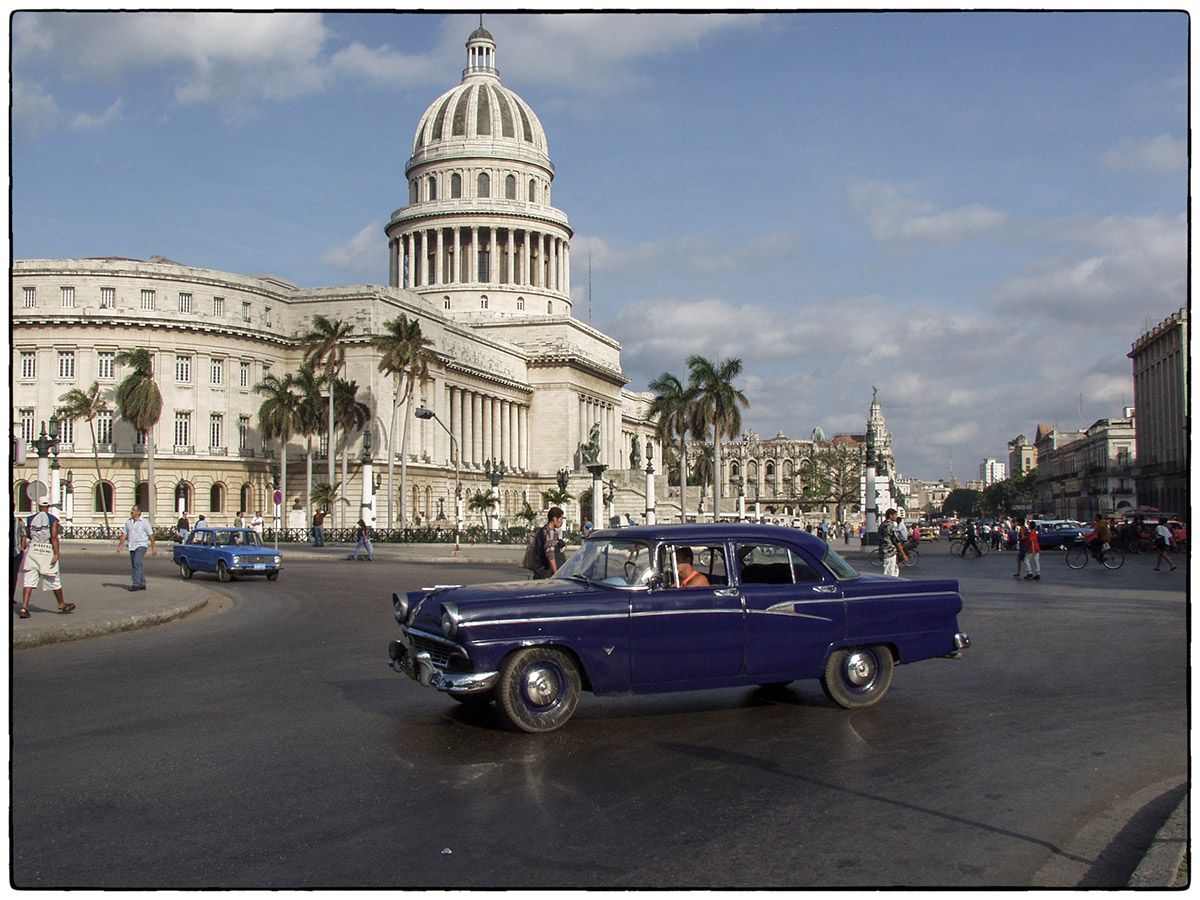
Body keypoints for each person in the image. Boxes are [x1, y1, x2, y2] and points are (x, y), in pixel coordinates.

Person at [18, 499, 74, 618]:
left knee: (29, 580)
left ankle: (24, 608)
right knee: (53, 578)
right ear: (48, 507)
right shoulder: (52, 519)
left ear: (39, 506)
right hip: (47, 550)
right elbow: (53, 537)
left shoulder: (30, 518)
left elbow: (28, 534)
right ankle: (61, 605)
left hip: (33, 550)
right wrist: (56, 553)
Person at [117, 505, 157, 591]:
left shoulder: (144, 522)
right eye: (132, 510)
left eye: (134, 510)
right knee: (137, 564)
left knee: (136, 563)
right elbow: (124, 534)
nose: (132, 511)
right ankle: (142, 583)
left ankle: (136, 584)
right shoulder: (128, 522)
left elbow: (150, 534)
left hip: (141, 545)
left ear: (138, 512)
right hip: (132, 546)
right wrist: (120, 545)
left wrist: (153, 547)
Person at [532, 507, 566, 579]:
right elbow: (550, 556)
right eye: (561, 519)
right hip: (546, 574)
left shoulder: (543, 530)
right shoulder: (550, 533)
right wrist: (556, 574)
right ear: (554, 519)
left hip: (539, 572)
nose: (562, 521)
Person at [878, 508, 907, 577]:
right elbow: (896, 540)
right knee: (890, 574)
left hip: (883, 551)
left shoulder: (882, 525)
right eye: (895, 515)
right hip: (890, 552)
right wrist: (903, 554)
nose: (896, 517)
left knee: (894, 571)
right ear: (890, 515)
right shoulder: (890, 525)